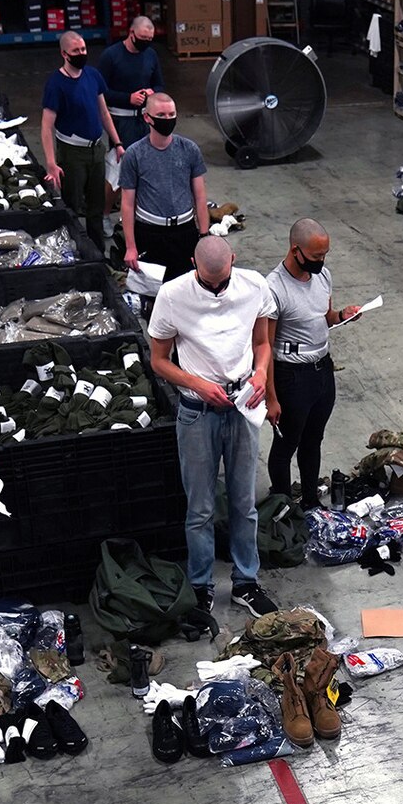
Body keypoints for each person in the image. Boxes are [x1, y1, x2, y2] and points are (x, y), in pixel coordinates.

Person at [148, 235, 280, 620]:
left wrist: (259, 375)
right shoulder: (173, 296)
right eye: (209, 282)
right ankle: (201, 585)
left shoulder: (254, 285)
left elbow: (262, 342)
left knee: (244, 503)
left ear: (234, 262)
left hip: (242, 407)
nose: (217, 288)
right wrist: (197, 384)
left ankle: (245, 583)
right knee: (201, 507)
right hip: (196, 412)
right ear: (193, 265)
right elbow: (158, 360)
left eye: (222, 281)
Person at [263, 219, 361, 507]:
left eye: (325, 255)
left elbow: (326, 317)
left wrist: (344, 314)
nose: (322, 261)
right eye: (317, 256)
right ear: (295, 250)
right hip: (291, 375)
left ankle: (309, 501)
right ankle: (281, 506)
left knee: (313, 439)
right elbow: (265, 346)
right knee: (286, 444)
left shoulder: (322, 276)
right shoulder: (273, 288)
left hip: (322, 370)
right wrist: (271, 396)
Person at [41, 30, 123, 261]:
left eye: (84, 49)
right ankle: (73, 254)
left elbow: (103, 112)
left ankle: (98, 254)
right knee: (73, 206)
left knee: (96, 207)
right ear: (64, 54)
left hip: (96, 149)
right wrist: (51, 163)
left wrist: (117, 142)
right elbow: (46, 126)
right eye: (76, 51)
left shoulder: (93, 75)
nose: (82, 54)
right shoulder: (56, 84)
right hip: (72, 152)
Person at [120, 92, 210, 283]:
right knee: (152, 295)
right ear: (147, 117)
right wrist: (131, 246)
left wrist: (204, 236)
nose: (167, 119)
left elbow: (200, 196)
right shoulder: (134, 154)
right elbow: (127, 203)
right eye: (161, 115)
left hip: (185, 232)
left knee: (187, 289)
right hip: (149, 232)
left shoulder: (190, 149)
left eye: (171, 114)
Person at [97, 16, 165, 149]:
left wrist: (153, 93)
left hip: (146, 119)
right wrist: (128, 98)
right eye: (143, 37)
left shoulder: (151, 54)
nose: (145, 42)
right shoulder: (110, 56)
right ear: (131, 32)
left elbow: (159, 84)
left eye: (149, 39)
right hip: (121, 121)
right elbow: (100, 92)